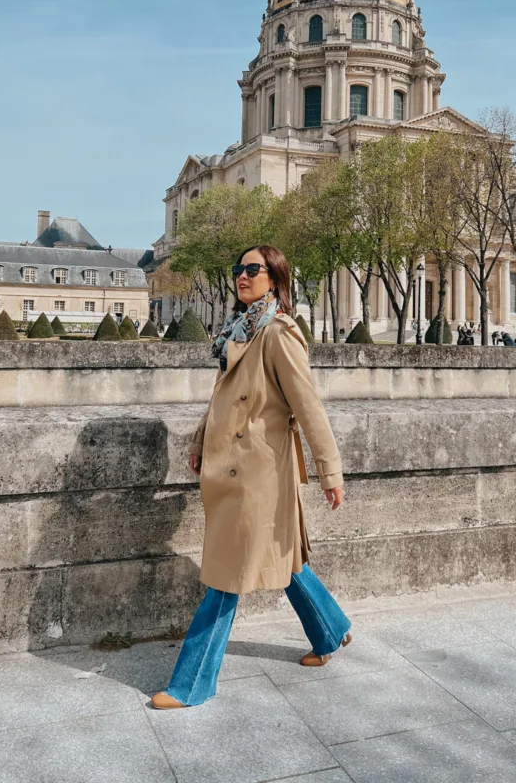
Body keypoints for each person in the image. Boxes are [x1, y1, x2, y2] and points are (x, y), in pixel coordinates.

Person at [151, 244, 350, 710]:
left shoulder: (278, 333)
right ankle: (331, 630)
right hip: (234, 466)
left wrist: (330, 473)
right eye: (238, 269)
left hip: (258, 471)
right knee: (283, 556)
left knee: (227, 574)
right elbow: (223, 397)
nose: (242, 276)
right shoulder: (238, 329)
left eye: (252, 269)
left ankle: (192, 683)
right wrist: (201, 443)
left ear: (275, 277)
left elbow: (309, 407)